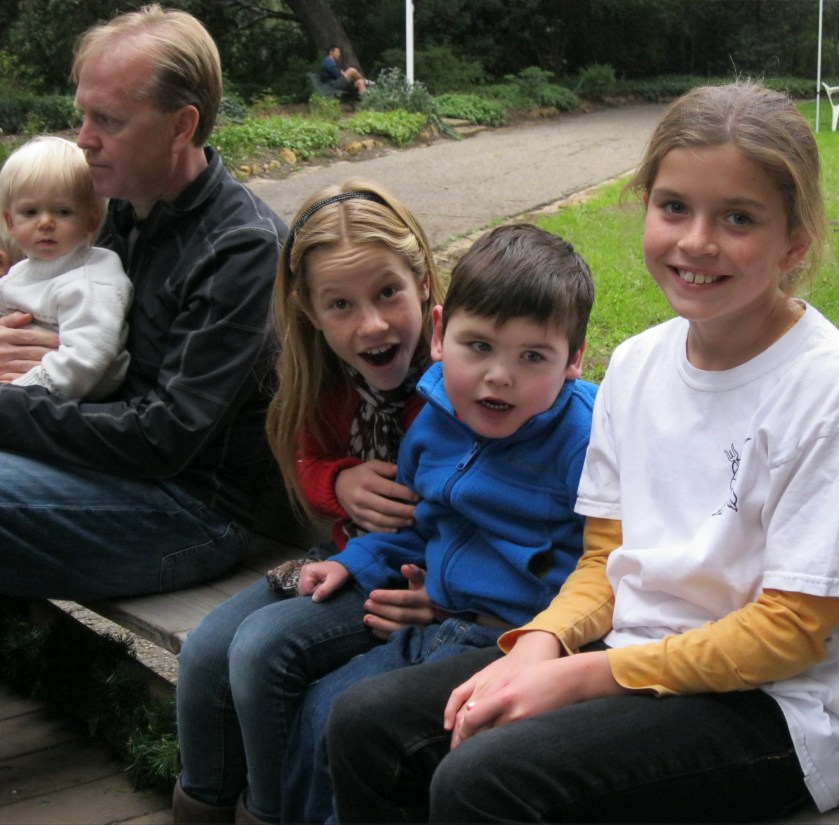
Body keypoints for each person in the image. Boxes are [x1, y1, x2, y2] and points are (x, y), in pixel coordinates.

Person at [326, 80, 839, 824]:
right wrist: (543, 641)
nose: (696, 241)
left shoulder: (834, 391)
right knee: (367, 724)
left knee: (483, 780)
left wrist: (579, 679)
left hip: (773, 713)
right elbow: (606, 558)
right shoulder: (639, 364)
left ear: (793, 242)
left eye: (737, 218)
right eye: (674, 207)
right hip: (629, 659)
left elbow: (791, 632)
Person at [176, 209, 597, 823]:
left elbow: (601, 564)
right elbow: (417, 524)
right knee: (322, 708)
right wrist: (353, 561)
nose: (498, 376)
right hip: (436, 620)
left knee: (361, 721)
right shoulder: (437, 422)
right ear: (441, 332)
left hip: (512, 640)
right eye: (477, 347)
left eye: (534, 356)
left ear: (574, 360)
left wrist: (487, 608)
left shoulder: (582, 443)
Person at [174, 180, 444, 824]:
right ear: (308, 311)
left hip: (414, 580)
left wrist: (451, 589)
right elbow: (304, 456)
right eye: (341, 305)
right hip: (345, 555)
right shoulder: (324, 378)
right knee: (206, 652)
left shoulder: (460, 380)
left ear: (424, 282)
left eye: (387, 293)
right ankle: (204, 807)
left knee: (264, 649)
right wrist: (338, 481)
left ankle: (272, 813)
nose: (372, 323)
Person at [0, 5, 284, 600]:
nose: (83, 139)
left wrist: (10, 408)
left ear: (182, 126)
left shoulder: (241, 250)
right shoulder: (115, 210)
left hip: (191, 512)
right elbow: (44, 310)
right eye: (83, 114)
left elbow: (165, 437)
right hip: (108, 469)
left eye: (108, 120)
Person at [0, 136, 131, 399]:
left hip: (60, 399)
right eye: (30, 212)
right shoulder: (21, 273)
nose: (45, 222)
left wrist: (17, 394)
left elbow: (87, 359)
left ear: (92, 221)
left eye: (62, 211)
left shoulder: (91, 281)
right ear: (10, 222)